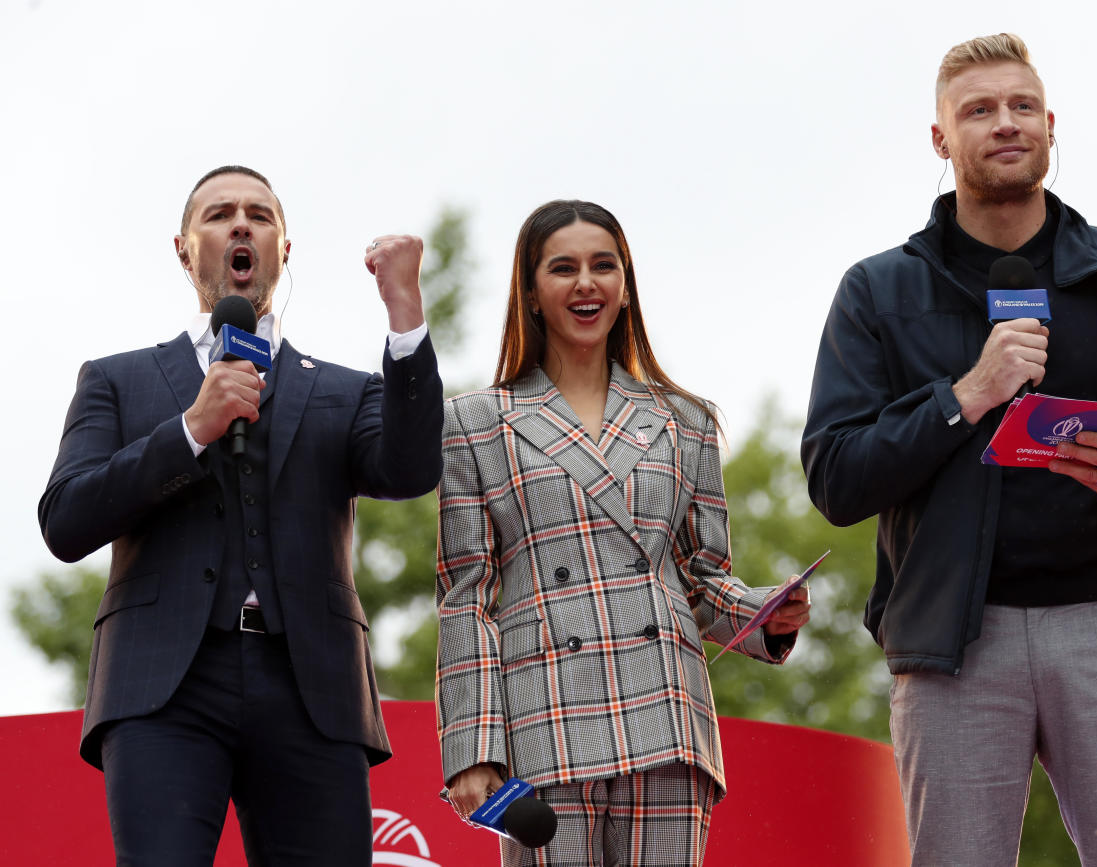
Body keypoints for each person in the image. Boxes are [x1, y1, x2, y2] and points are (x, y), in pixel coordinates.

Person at [801, 34, 1097, 866]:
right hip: (954, 644)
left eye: (1021, 106)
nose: (1005, 124)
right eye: (979, 110)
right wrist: (965, 396)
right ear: (941, 140)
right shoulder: (878, 291)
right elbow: (836, 477)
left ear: (1048, 124)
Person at [38, 165, 444, 866]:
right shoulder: (116, 378)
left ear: (284, 250)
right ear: (184, 246)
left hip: (311, 683)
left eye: (259, 214)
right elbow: (65, 519)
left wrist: (404, 313)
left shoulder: (346, 391)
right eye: (219, 212)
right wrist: (189, 429)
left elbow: (410, 470)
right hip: (162, 687)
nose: (240, 223)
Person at [435, 200, 811, 866]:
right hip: (541, 711)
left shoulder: (685, 419)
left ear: (626, 285)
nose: (587, 282)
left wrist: (765, 612)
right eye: (564, 268)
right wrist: (472, 746)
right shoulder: (474, 422)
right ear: (531, 291)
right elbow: (466, 596)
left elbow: (700, 579)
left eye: (604, 265)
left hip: (665, 711)